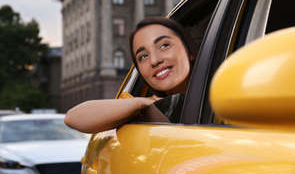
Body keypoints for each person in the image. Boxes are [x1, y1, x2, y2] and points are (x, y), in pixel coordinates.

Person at [64, 17, 197, 134]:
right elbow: (72, 118)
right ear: (140, 71)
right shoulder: (150, 107)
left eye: (164, 46)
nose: (155, 60)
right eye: (143, 56)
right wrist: (142, 103)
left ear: (189, 50)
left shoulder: (214, 93)